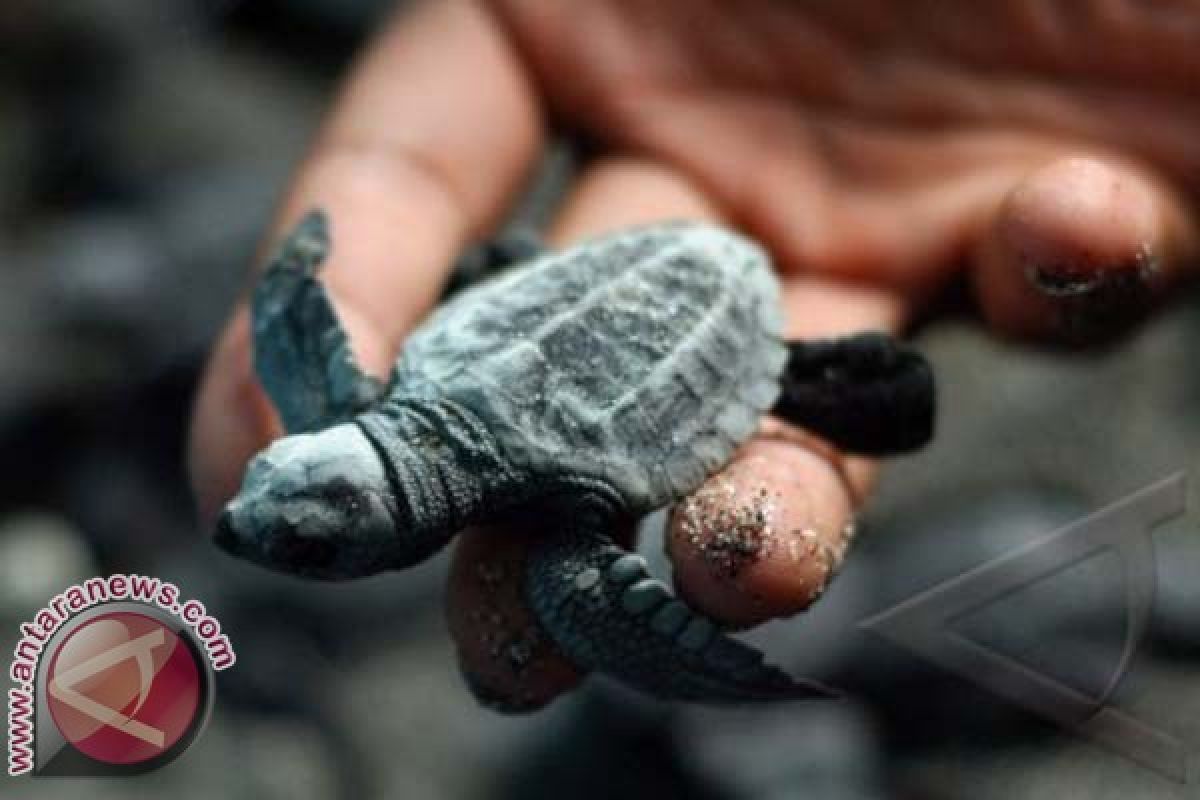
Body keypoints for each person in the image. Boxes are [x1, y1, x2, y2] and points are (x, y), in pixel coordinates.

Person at [187, 0, 1200, 709]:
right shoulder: (426, 429)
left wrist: (706, 667)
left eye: (295, 515)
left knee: (603, 592)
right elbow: (300, 330)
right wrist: (298, 273)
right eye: (288, 505)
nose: (246, 519)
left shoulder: (546, 524)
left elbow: (299, 324)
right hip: (638, 269)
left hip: (703, 303)